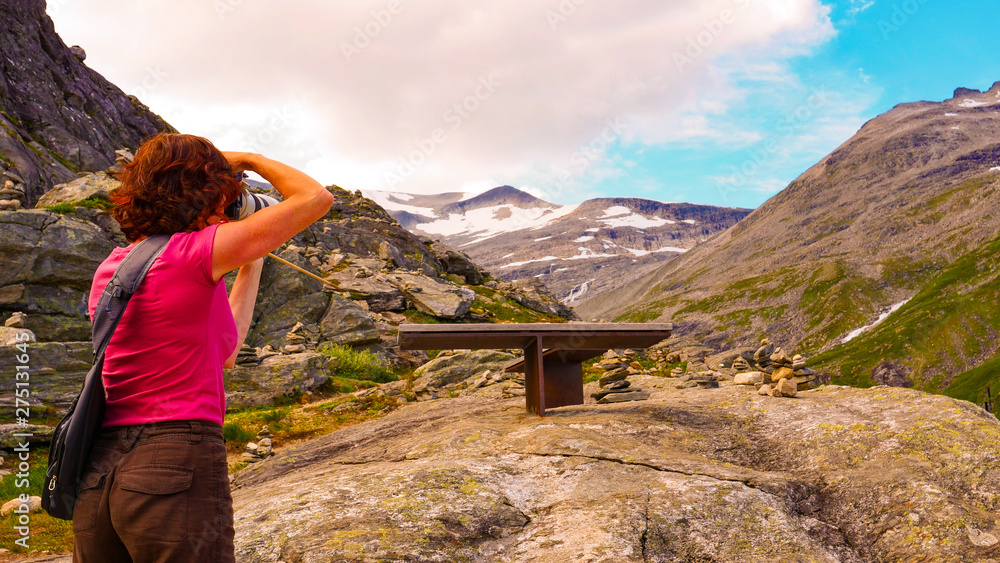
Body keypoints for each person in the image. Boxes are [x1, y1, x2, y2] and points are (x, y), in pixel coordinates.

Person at [72, 133, 334, 562]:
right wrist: (250, 157)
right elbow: (314, 198)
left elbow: (225, 353)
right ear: (204, 191)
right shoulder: (192, 255)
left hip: (99, 471)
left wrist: (252, 263)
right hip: (174, 457)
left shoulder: (114, 265)